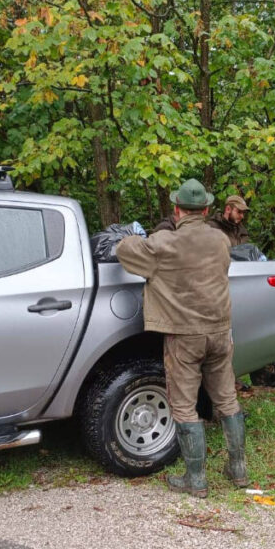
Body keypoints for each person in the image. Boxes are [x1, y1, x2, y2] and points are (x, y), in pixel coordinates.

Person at [115, 178, 247, 498]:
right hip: (219, 333)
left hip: (184, 336)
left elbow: (124, 251)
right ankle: (238, 470)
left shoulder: (164, 242)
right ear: (205, 209)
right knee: (226, 399)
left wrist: (138, 235)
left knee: (185, 407)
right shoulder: (220, 240)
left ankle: (196, 480)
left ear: (176, 210)